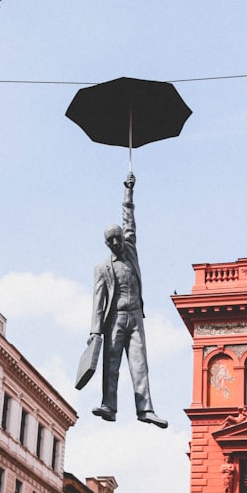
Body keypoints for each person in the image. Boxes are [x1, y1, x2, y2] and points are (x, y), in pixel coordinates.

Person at [88, 172, 168, 428]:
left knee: (139, 364)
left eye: (117, 237)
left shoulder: (131, 249)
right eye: (109, 240)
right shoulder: (102, 269)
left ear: (123, 238)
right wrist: (94, 331)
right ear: (105, 243)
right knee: (110, 366)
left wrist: (128, 192)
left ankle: (145, 409)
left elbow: (129, 218)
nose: (114, 242)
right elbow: (98, 303)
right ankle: (109, 406)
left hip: (135, 317)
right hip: (114, 320)